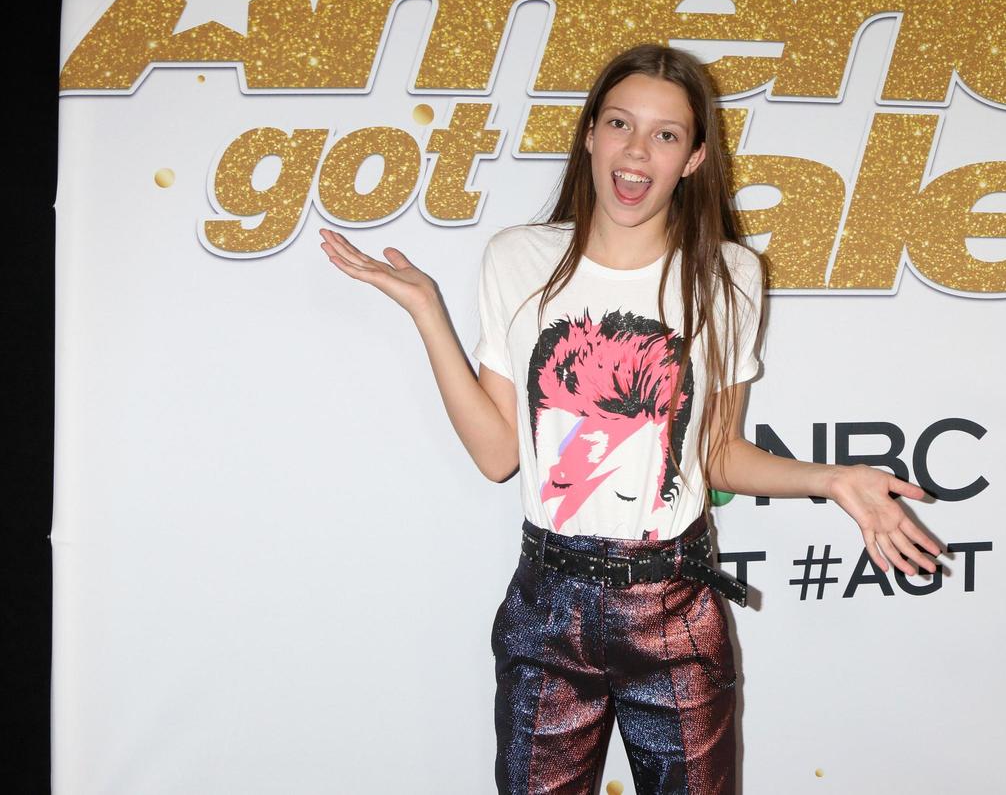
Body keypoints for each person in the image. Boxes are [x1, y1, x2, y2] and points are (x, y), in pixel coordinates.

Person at [318, 43, 943, 794]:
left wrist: (833, 479)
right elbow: (496, 455)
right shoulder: (518, 260)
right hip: (546, 606)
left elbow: (714, 455)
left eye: (666, 134)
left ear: (695, 157)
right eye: (619, 122)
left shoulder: (728, 275)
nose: (637, 149)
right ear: (589, 134)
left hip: (676, 606)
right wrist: (427, 312)